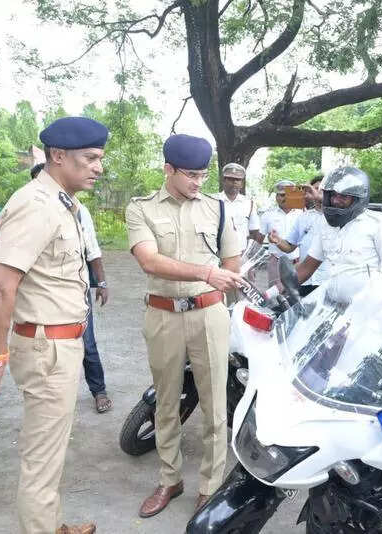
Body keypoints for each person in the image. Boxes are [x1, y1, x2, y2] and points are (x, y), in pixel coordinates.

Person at [0, 117, 108, 534]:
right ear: (58, 156)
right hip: (47, 349)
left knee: (49, 453)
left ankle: (52, 525)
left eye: (100, 158)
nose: (98, 167)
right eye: (90, 158)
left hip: (61, 344)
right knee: (41, 460)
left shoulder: (63, 203)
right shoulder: (37, 204)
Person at [126, 134, 243, 518]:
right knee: (166, 403)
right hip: (162, 315)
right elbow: (149, 261)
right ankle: (170, 480)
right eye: (190, 175)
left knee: (215, 405)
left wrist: (214, 288)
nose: (198, 182)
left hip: (208, 315)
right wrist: (206, 273)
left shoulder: (217, 209)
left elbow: (233, 262)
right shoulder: (141, 208)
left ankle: (210, 487)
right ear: (168, 170)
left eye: (203, 174)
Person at [30, 163, 112, 414]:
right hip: (42, 292)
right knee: (45, 344)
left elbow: (92, 249)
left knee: (86, 342)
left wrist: (101, 282)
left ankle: (99, 391)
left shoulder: (78, 210)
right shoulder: (30, 210)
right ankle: (53, 395)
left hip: (76, 290)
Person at [295, 167, 382, 287]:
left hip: (366, 298)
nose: (336, 201)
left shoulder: (378, 222)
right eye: (333, 195)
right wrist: (279, 289)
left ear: (358, 198)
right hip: (331, 297)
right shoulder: (325, 224)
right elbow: (307, 267)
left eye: (344, 196)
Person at [268, 175, 330, 296]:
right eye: (314, 189)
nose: (317, 193)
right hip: (304, 280)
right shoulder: (304, 217)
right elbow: (289, 246)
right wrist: (277, 240)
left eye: (321, 190)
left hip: (326, 280)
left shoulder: (336, 216)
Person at [257, 180, 302, 281]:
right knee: (274, 290)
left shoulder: (302, 214)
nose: (285, 198)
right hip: (275, 262)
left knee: (296, 290)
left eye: (288, 195)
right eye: (282, 195)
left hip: (297, 262)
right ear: (276, 197)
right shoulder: (267, 215)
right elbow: (258, 241)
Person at [216, 163, 261, 250]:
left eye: (238, 179)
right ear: (223, 180)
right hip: (217, 252)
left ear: (242, 183)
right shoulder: (213, 201)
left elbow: (254, 231)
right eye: (231, 179)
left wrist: (247, 251)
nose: (234, 182)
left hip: (241, 252)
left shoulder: (249, 203)